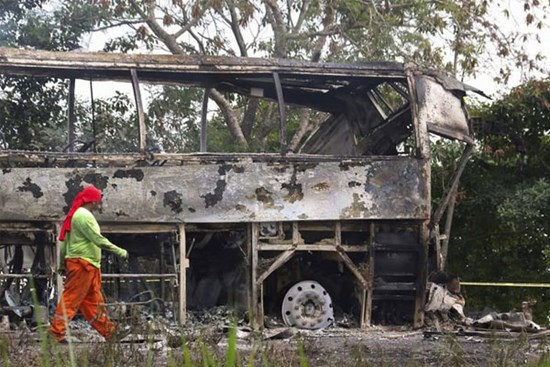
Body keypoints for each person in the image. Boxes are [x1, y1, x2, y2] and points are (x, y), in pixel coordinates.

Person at [49, 185, 128, 343]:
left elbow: (63, 242)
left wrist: (62, 264)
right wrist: (120, 251)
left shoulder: (75, 215)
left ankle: (110, 332)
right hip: (82, 264)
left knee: (93, 302)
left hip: (85, 264)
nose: (99, 205)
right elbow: (98, 239)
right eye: (98, 202)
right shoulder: (84, 216)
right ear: (92, 201)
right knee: (71, 299)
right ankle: (55, 334)